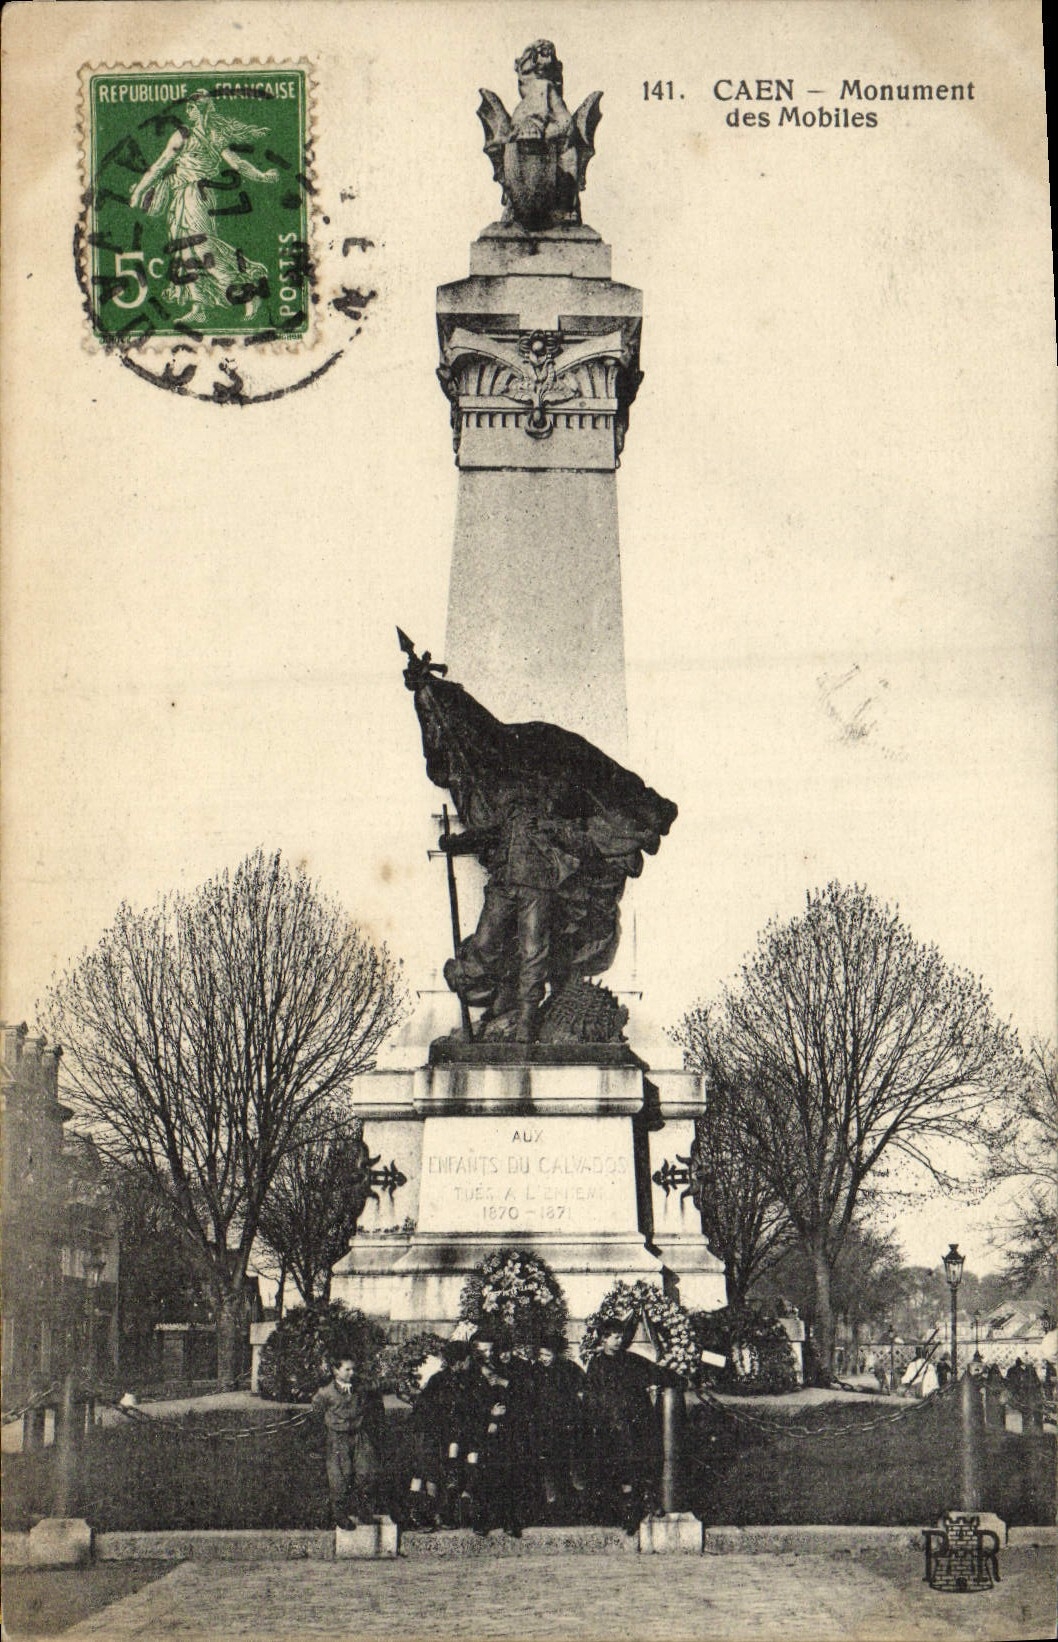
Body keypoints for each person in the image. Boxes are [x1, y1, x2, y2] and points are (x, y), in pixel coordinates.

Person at [129, 91, 278, 325]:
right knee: (185, 251)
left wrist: (262, 176)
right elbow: (159, 167)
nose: (187, 111)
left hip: (196, 196)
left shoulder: (202, 135)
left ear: (200, 110)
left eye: (191, 107)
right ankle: (199, 306)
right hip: (182, 197)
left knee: (202, 248)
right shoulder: (188, 135)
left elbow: (237, 164)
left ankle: (249, 289)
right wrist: (139, 191)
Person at [583, 1320, 672, 1533]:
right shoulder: (596, 1365)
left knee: (636, 1468)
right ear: (603, 1339)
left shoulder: (632, 1361)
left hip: (635, 1426)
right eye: (614, 1337)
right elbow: (591, 1397)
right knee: (616, 1472)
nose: (619, 1341)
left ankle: (639, 1509)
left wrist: (682, 1379)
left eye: (621, 1336)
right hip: (610, 1428)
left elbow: (658, 1373)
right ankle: (620, 1513)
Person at [311, 1355, 385, 1530]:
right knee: (340, 1477)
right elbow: (317, 1415)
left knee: (366, 1472)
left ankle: (364, 1511)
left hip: (359, 1436)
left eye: (354, 1369)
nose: (352, 1373)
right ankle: (340, 1515)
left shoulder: (360, 1390)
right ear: (335, 1371)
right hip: (338, 1439)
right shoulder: (325, 1393)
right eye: (347, 1369)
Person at [531, 1334, 587, 1522]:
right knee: (548, 1466)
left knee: (572, 1465)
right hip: (544, 1426)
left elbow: (582, 1393)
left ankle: (579, 1506)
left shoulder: (570, 1369)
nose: (543, 1358)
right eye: (541, 1354)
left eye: (547, 1355)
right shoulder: (536, 1370)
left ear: (556, 1353)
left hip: (567, 1425)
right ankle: (551, 1505)